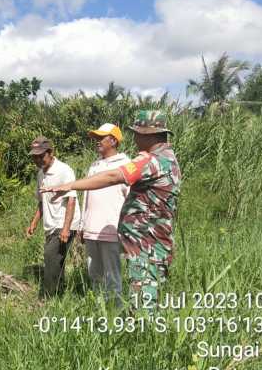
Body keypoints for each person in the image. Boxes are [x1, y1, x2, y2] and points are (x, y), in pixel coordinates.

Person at [41, 111, 181, 310]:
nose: (134, 138)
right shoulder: (167, 158)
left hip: (146, 240)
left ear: (147, 134)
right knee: (141, 290)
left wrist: (69, 185)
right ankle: (125, 323)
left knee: (143, 298)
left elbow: (113, 177)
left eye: (137, 134)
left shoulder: (150, 161)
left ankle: (135, 330)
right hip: (152, 238)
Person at [80, 123, 130, 304]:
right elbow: (86, 195)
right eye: (96, 138)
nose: (97, 142)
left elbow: (130, 199)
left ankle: (115, 311)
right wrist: (82, 225)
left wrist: (127, 230)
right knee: (94, 273)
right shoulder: (94, 165)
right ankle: (99, 308)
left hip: (112, 230)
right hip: (91, 229)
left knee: (112, 275)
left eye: (101, 138)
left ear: (114, 140)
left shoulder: (125, 165)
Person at [26, 136, 81, 297]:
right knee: (58, 260)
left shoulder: (64, 170)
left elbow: (71, 199)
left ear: (50, 152)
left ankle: (47, 297)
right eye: (34, 157)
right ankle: (60, 294)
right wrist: (33, 223)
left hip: (65, 223)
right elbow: (42, 202)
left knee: (50, 257)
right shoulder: (40, 174)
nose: (37, 160)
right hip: (50, 224)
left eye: (41, 156)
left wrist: (66, 229)